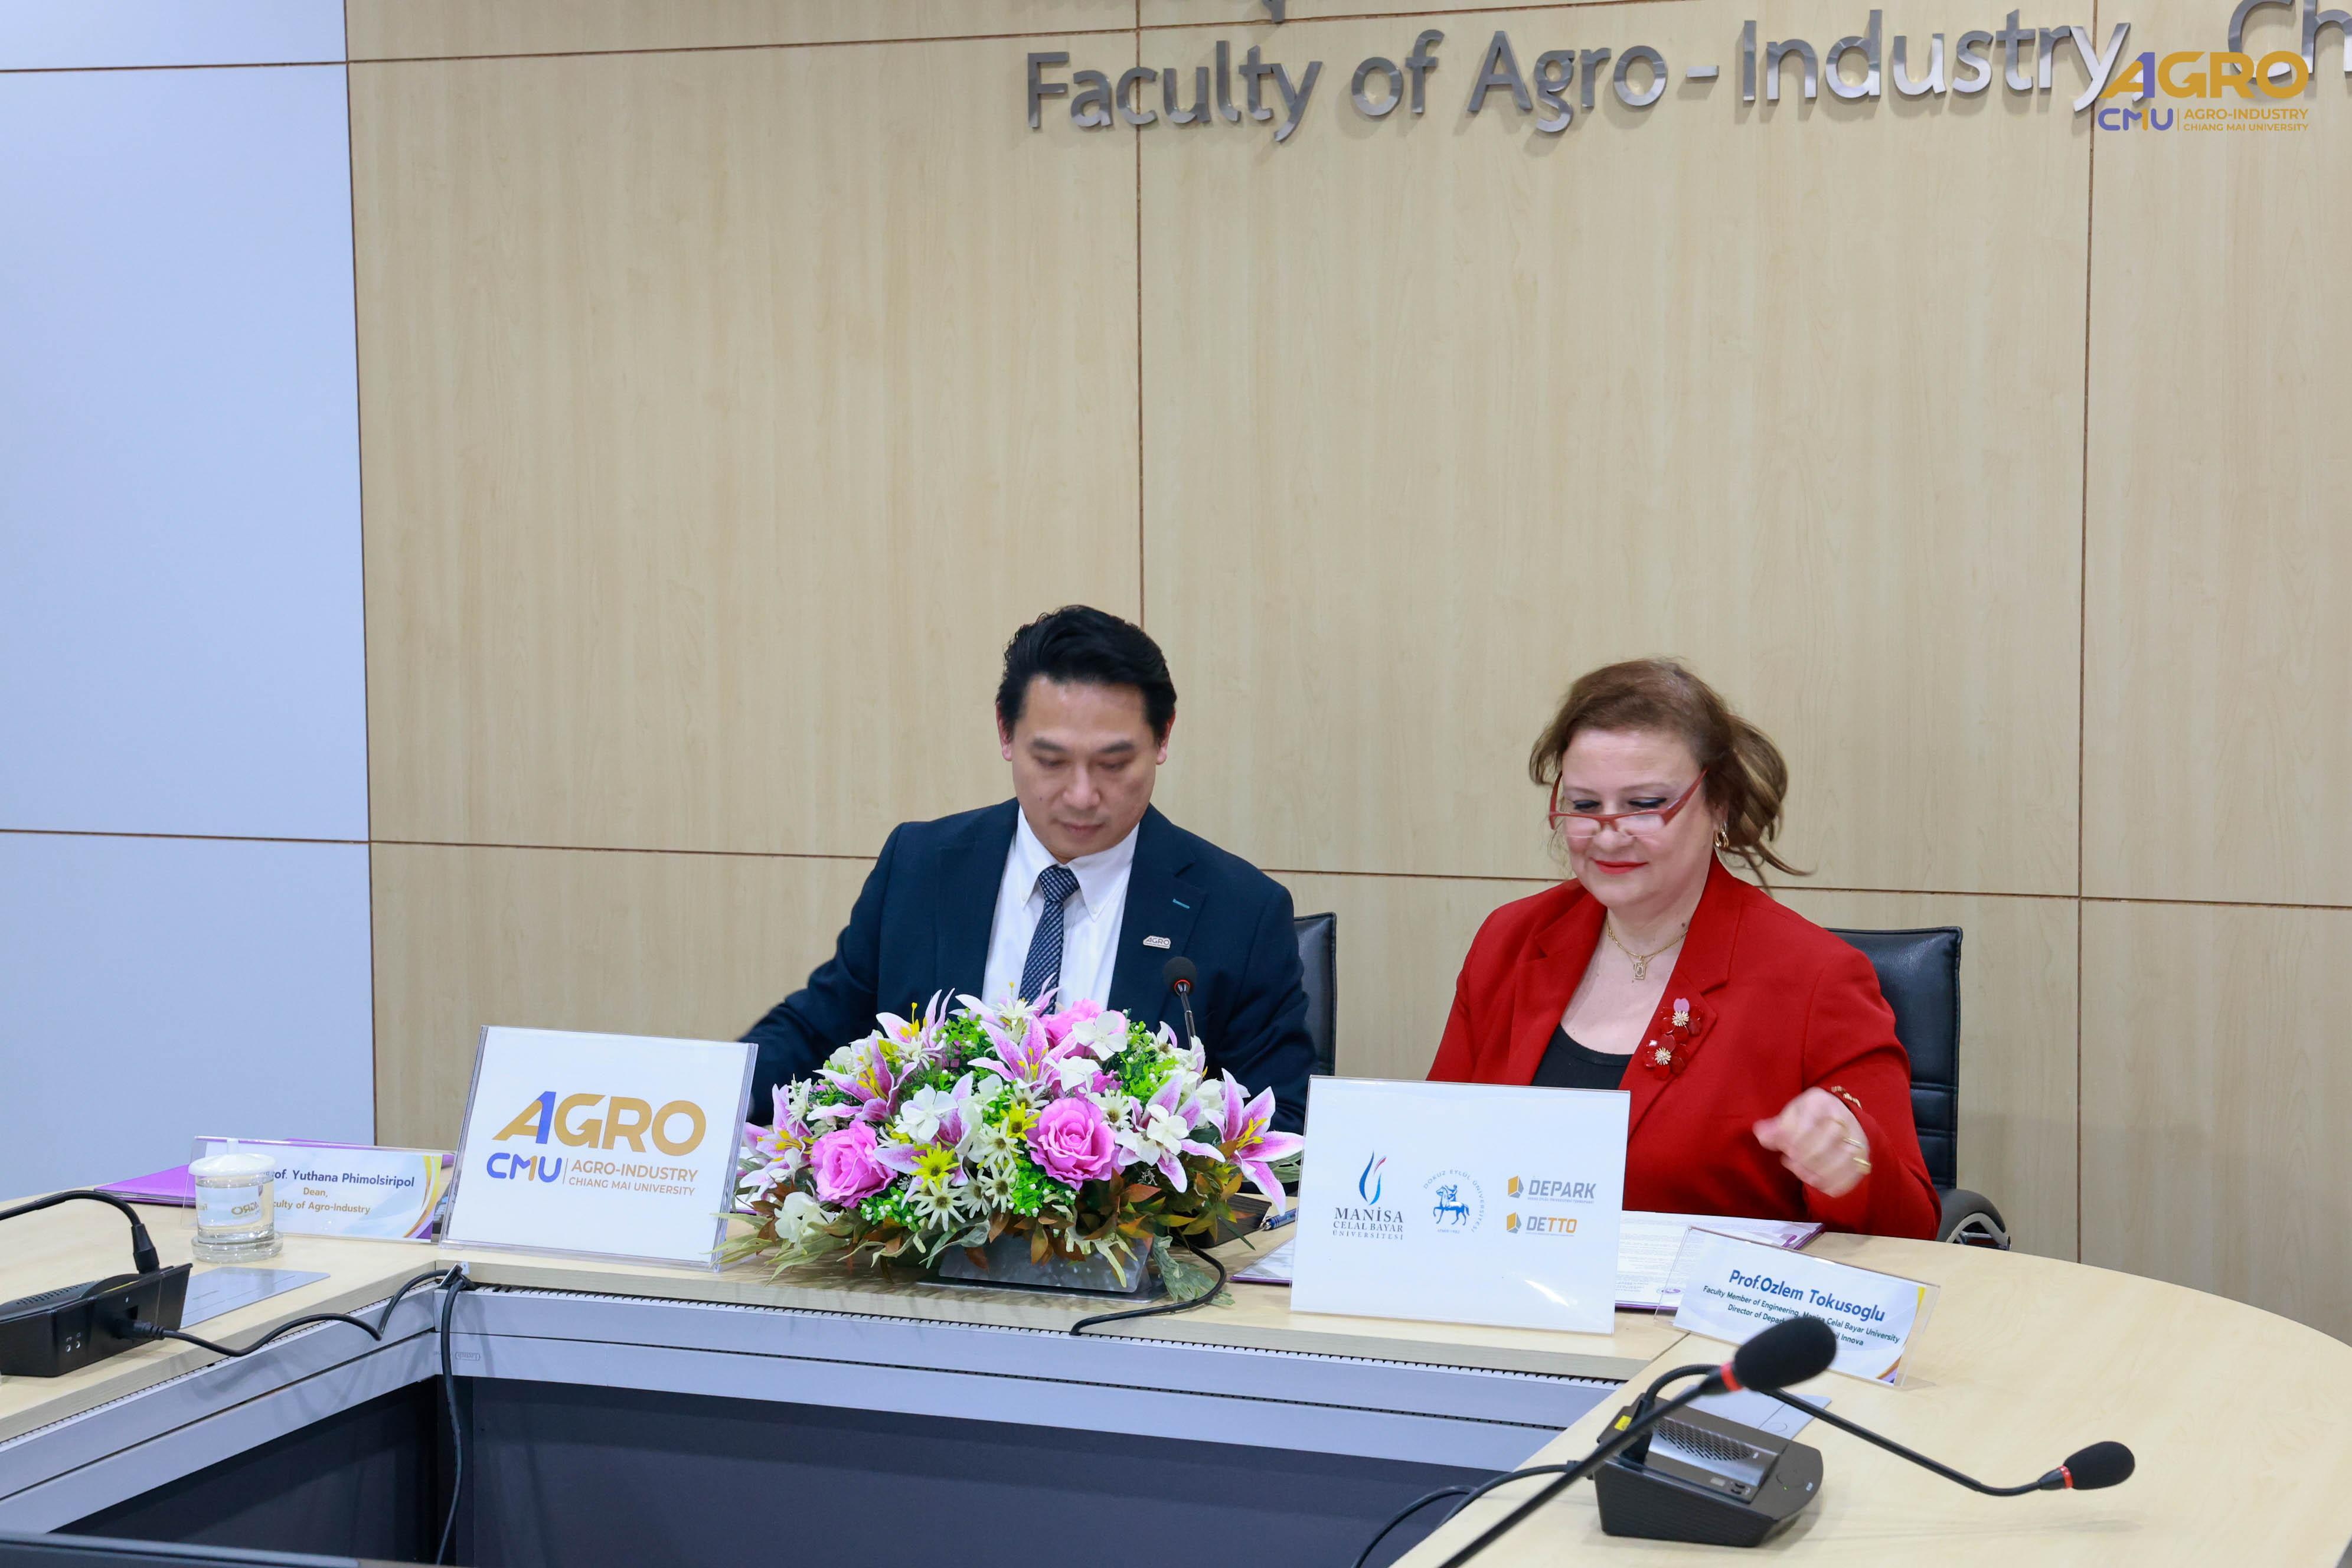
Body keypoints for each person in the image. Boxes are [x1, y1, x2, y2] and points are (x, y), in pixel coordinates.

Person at [743, 606, 1317, 1131]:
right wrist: (710, 1093)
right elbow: (816, 1034)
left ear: (1163, 738)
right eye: (1051, 761)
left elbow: (1280, 1120)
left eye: (1114, 764)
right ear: (1005, 732)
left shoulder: (1240, 913)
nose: (1082, 795)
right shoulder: (920, 867)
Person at [1427, 659, 1940, 1238]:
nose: (1609, 834)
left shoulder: (1817, 977)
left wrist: (1851, 1156)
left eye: (1645, 804)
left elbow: (1912, 1229)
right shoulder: (1511, 941)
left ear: (1717, 804)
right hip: (1513, 1286)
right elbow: (1437, 1149)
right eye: (1586, 805)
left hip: (1709, 1296)